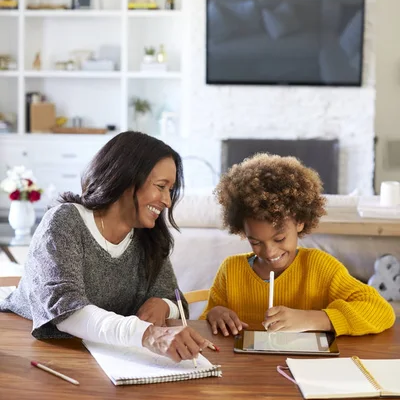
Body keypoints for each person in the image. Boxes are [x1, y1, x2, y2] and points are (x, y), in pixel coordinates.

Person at [0, 131, 209, 362]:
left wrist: (163, 305)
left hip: (104, 352)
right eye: (161, 186)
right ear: (126, 178)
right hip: (30, 344)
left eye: (170, 190)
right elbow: (65, 309)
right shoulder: (65, 221)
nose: (168, 201)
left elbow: (178, 302)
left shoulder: (148, 237)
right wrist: (149, 335)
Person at [201, 153, 396, 337]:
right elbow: (205, 322)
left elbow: (382, 311)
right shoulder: (231, 270)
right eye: (256, 242)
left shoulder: (320, 267)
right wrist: (215, 313)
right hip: (248, 368)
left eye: (279, 239)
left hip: (307, 367)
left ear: (300, 222)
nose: (269, 252)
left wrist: (314, 318)